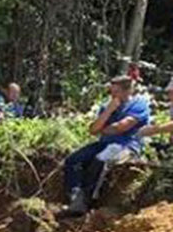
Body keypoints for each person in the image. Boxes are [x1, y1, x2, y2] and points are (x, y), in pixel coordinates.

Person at [62, 74, 150, 216]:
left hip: (126, 145)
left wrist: (103, 129)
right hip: (104, 143)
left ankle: (88, 200)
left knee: (100, 160)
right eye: (111, 92)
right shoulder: (107, 106)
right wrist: (109, 111)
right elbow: (93, 130)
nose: (112, 95)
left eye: (116, 92)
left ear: (128, 91)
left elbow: (121, 127)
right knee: (73, 160)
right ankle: (76, 196)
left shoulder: (139, 105)